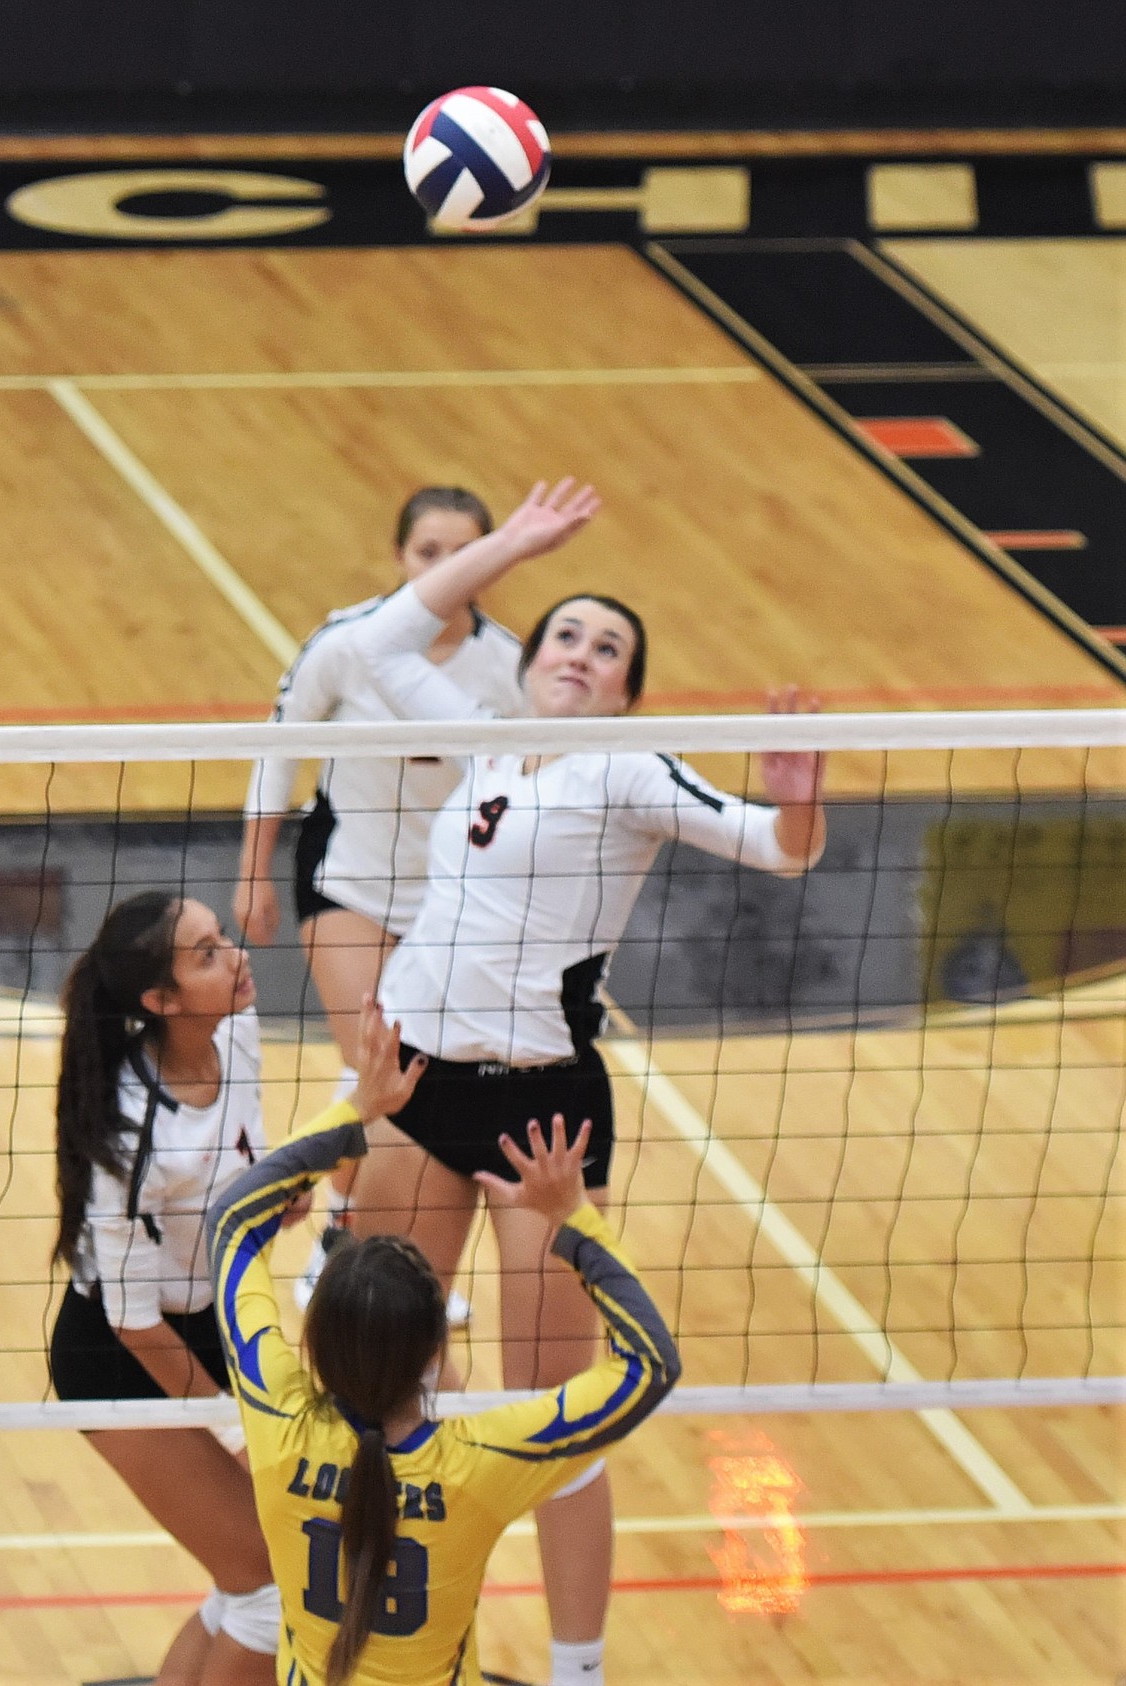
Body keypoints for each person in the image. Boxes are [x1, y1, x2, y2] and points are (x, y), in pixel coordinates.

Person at [342, 479, 827, 1686]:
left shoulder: (626, 771)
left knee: (555, 1412)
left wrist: (802, 802)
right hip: (414, 1090)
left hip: (537, 1115)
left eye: (608, 647)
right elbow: (377, 639)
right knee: (374, 1379)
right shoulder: (483, 740)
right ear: (533, 655)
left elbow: (774, 846)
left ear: (625, 688)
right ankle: (372, 1639)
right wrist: (512, 544)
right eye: (566, 631)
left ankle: (578, 1672)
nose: (582, 653)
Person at [205, 999, 680, 1686]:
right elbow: (652, 1363)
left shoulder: (276, 1416)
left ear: (311, 1347)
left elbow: (231, 1222)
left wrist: (355, 1111)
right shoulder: (485, 1459)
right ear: (437, 1355)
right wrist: (572, 1218)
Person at [233, 487, 523, 1313]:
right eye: (428, 552)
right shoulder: (348, 642)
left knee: (424, 1076)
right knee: (379, 1061)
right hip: (348, 879)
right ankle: (337, 1232)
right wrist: (253, 871)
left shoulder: (508, 666)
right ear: (402, 556)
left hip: (453, 901)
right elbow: (277, 750)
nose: (443, 568)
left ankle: (354, 1230)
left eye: (462, 554)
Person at [49, 891, 285, 1686]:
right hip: (119, 1358)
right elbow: (133, 1321)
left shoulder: (238, 1031)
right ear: (160, 1001)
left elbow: (247, 1154)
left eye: (223, 938)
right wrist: (239, 1430)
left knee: (253, 1576)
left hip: (212, 1326)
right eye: (208, 953)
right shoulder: (130, 1135)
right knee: (274, 1593)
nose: (236, 955)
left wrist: (277, 1192)